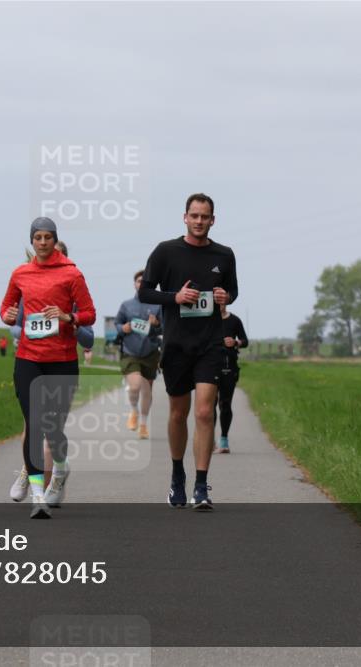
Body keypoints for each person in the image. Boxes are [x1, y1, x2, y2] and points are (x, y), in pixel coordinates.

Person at [138, 193, 238, 510]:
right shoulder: (165, 251)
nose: (199, 221)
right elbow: (145, 293)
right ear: (185, 217)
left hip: (210, 343)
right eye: (194, 215)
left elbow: (233, 291)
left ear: (213, 220)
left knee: (205, 412)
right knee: (179, 413)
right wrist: (175, 297)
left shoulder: (224, 255)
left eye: (204, 216)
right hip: (177, 344)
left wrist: (225, 297)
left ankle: (201, 485)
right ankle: (177, 475)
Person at [1, 218, 96, 519]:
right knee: (35, 423)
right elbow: (6, 309)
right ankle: (38, 495)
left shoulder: (71, 273)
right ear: (32, 241)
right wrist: (8, 315)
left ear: (55, 240)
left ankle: (61, 469)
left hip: (62, 360)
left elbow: (90, 314)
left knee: (53, 427)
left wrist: (68, 317)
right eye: (37, 237)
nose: (42, 242)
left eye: (47, 237)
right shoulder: (20, 273)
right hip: (28, 359)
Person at [114, 270, 163, 440]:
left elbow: (163, 329)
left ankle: (143, 424)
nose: (141, 284)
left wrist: (156, 324)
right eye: (139, 281)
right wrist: (123, 328)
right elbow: (117, 323)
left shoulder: (157, 306)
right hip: (130, 352)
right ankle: (133, 410)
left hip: (150, 352)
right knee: (135, 386)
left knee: (147, 390)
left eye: (145, 281)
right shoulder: (126, 305)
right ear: (134, 284)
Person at [215, 303, 248, 454]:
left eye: (221, 301)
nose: (219, 304)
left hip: (229, 367)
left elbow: (245, 341)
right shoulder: (206, 321)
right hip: (209, 367)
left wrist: (236, 342)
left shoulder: (235, 320)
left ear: (226, 302)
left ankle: (224, 439)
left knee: (225, 404)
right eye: (216, 301)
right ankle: (209, 440)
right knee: (208, 405)